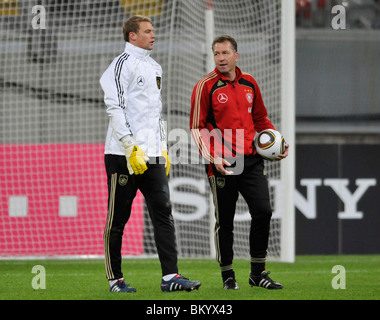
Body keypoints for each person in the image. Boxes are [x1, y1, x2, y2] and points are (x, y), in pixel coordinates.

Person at [100, 15, 201, 293]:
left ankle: (170, 277)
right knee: (117, 219)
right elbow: (114, 108)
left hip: (153, 155)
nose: (153, 35)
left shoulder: (155, 67)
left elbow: (156, 113)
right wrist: (128, 144)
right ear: (132, 36)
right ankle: (115, 280)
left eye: (153, 30)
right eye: (147, 31)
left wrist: (163, 147)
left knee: (164, 213)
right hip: (123, 155)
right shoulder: (120, 65)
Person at [190, 35, 289, 290]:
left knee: (264, 212)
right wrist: (214, 157)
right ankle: (228, 276)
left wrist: (277, 141)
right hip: (223, 162)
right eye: (216, 53)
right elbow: (196, 128)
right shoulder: (206, 86)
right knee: (226, 220)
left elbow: (261, 119)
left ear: (236, 55)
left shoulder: (250, 83)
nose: (220, 58)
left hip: (252, 160)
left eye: (225, 53)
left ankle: (258, 273)